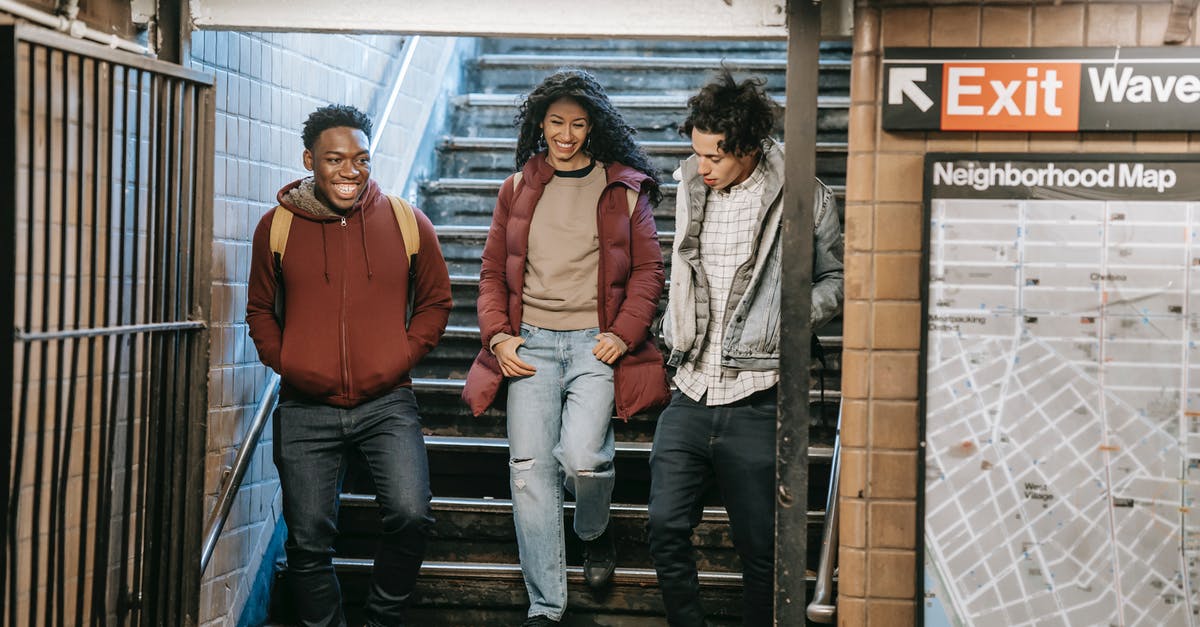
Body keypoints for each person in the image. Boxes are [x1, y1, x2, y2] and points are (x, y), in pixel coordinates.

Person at [462, 69, 670, 626]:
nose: (567, 134)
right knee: (530, 472)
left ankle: (594, 532)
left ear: (593, 126)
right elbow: (489, 273)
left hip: (594, 346)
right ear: (540, 124)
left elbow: (650, 271)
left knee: (584, 456)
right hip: (530, 345)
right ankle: (545, 606)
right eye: (556, 122)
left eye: (578, 124)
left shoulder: (623, 190)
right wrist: (499, 335)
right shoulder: (517, 188)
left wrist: (623, 333)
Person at [647, 70, 845, 626]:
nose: (700, 166)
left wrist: (794, 315)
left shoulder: (804, 195)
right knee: (663, 526)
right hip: (690, 386)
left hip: (758, 394)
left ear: (750, 148)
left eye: (715, 157)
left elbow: (837, 277)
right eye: (697, 153)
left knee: (763, 549)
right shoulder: (692, 186)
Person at [246, 104, 452, 627]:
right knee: (308, 541)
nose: (350, 171)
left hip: (387, 403)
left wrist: (399, 356)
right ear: (309, 160)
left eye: (361, 159)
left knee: (411, 515)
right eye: (335, 159)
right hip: (304, 408)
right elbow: (258, 309)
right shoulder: (277, 227)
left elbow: (436, 302)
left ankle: (380, 620)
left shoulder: (408, 222)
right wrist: (287, 361)